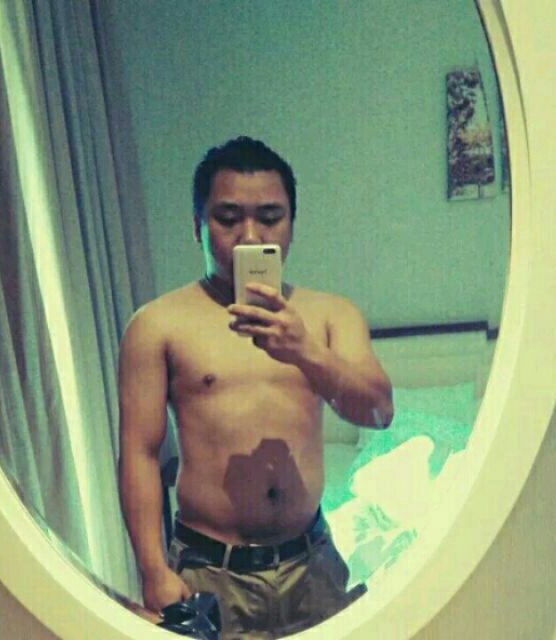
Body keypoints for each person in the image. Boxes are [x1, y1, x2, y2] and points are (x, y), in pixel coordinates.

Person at [118, 136, 393, 639]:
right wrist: (153, 569)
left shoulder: (330, 315)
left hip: (312, 567)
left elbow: (378, 411)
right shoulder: (157, 325)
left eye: (270, 217)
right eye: (228, 218)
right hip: (208, 574)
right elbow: (140, 452)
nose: (249, 236)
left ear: (292, 225)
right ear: (198, 226)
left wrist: (305, 351)